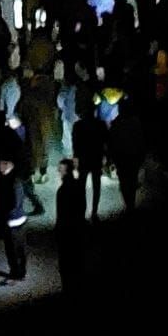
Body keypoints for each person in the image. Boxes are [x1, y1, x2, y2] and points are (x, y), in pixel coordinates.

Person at [54, 157, 87, 296]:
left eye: (61, 169)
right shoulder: (79, 186)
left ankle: (68, 290)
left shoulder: (62, 191)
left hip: (66, 230)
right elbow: (83, 207)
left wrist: (58, 230)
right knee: (77, 260)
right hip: (78, 228)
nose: (59, 171)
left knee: (66, 263)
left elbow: (61, 214)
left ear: (66, 171)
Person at [0, 158, 27, 280]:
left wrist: (2, 216)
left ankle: (16, 272)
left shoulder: (11, 182)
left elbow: (12, 203)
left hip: (12, 220)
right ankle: (20, 270)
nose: (0, 167)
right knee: (19, 247)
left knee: (12, 248)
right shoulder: (14, 180)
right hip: (17, 218)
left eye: (3, 164)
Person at [107, 97, 144, 212]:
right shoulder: (134, 122)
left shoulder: (118, 123)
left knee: (125, 181)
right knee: (130, 181)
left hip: (123, 157)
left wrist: (111, 157)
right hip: (130, 157)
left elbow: (111, 141)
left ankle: (129, 205)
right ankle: (130, 205)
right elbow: (141, 140)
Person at [72, 102, 107, 222]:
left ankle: (82, 213)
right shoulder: (100, 124)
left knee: (81, 187)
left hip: (83, 159)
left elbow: (75, 144)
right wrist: (106, 157)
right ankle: (94, 212)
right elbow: (105, 142)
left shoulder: (78, 125)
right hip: (96, 158)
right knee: (96, 186)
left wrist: (75, 159)